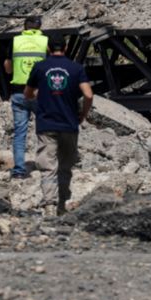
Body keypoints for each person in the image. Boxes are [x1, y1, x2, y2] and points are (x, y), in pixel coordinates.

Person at [24, 35, 93, 217]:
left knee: (48, 167)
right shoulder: (76, 68)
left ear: (48, 48)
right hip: (69, 124)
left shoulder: (40, 67)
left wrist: (39, 96)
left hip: (46, 123)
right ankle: (61, 205)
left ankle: (49, 205)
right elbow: (88, 94)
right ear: (66, 46)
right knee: (65, 166)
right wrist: (83, 114)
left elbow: (27, 94)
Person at [3, 16, 47, 179]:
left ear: (24, 27)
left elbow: (7, 68)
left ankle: (19, 171)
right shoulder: (45, 42)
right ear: (39, 27)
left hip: (19, 93)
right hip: (39, 93)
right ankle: (45, 167)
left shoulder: (15, 41)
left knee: (20, 133)